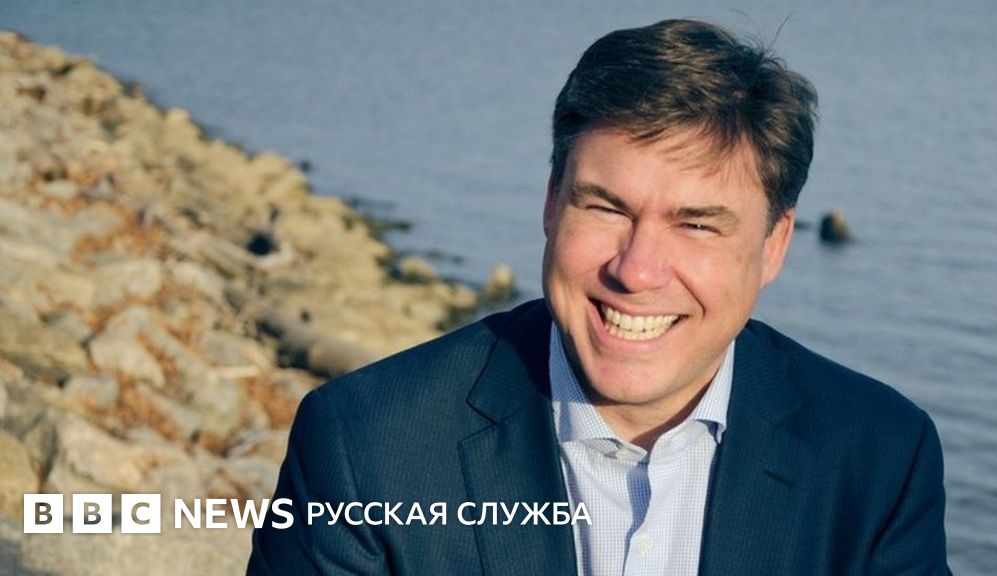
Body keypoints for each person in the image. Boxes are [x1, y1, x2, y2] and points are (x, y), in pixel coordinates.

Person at [248, 19, 949, 575]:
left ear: (774, 244)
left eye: (696, 224)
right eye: (606, 207)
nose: (637, 272)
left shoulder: (878, 457)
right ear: (551, 203)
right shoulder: (367, 447)